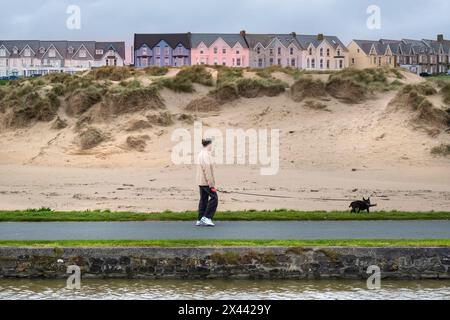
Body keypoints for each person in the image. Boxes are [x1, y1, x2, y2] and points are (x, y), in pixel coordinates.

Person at [196, 138, 218, 227]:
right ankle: (207, 217)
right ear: (209, 144)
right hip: (206, 182)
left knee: (203, 200)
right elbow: (207, 171)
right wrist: (211, 185)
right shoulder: (205, 155)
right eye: (211, 144)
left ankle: (200, 219)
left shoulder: (201, 153)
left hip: (201, 181)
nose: (212, 146)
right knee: (214, 198)